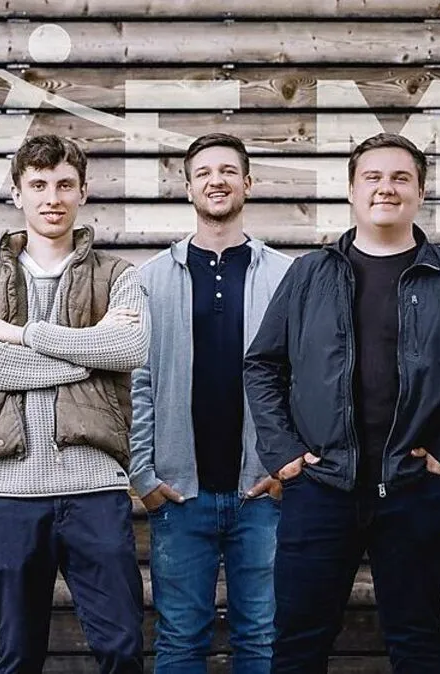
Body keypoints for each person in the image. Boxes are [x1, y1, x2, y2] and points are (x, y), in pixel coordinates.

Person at [244, 132, 440, 673]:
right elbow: (263, 365)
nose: (386, 188)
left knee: (417, 642)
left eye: (400, 178)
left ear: (420, 192)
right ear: (351, 190)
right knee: (298, 643)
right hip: (320, 488)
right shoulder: (309, 274)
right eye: (373, 177)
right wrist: (284, 454)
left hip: (415, 489)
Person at [0, 134, 150, 674]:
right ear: (17, 194)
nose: (52, 197)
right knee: (16, 656)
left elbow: (130, 348)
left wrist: (20, 335)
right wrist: (89, 353)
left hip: (95, 490)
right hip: (7, 493)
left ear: (83, 192)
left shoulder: (118, 275)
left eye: (65, 185)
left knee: (121, 649)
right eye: (38, 185)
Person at [130, 133, 292, 673]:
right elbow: (136, 382)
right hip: (180, 493)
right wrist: (144, 476)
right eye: (203, 173)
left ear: (248, 183)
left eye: (227, 171)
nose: (215, 181)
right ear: (188, 187)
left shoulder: (286, 275)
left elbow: (303, 378)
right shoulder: (150, 279)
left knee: (263, 638)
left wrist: (286, 468)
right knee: (180, 639)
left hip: (262, 492)